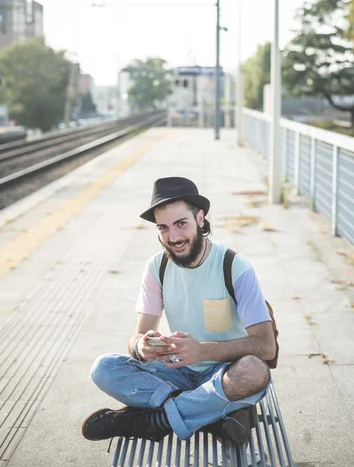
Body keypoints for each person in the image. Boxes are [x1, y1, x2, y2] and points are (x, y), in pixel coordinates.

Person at [82, 176, 276, 444]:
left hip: (224, 373)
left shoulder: (234, 266)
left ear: (200, 218)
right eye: (163, 227)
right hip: (176, 372)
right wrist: (143, 347)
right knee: (103, 368)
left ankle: (147, 421)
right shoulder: (156, 267)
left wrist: (204, 351)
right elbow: (135, 339)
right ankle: (210, 415)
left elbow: (266, 347)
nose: (173, 237)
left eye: (181, 224)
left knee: (255, 372)